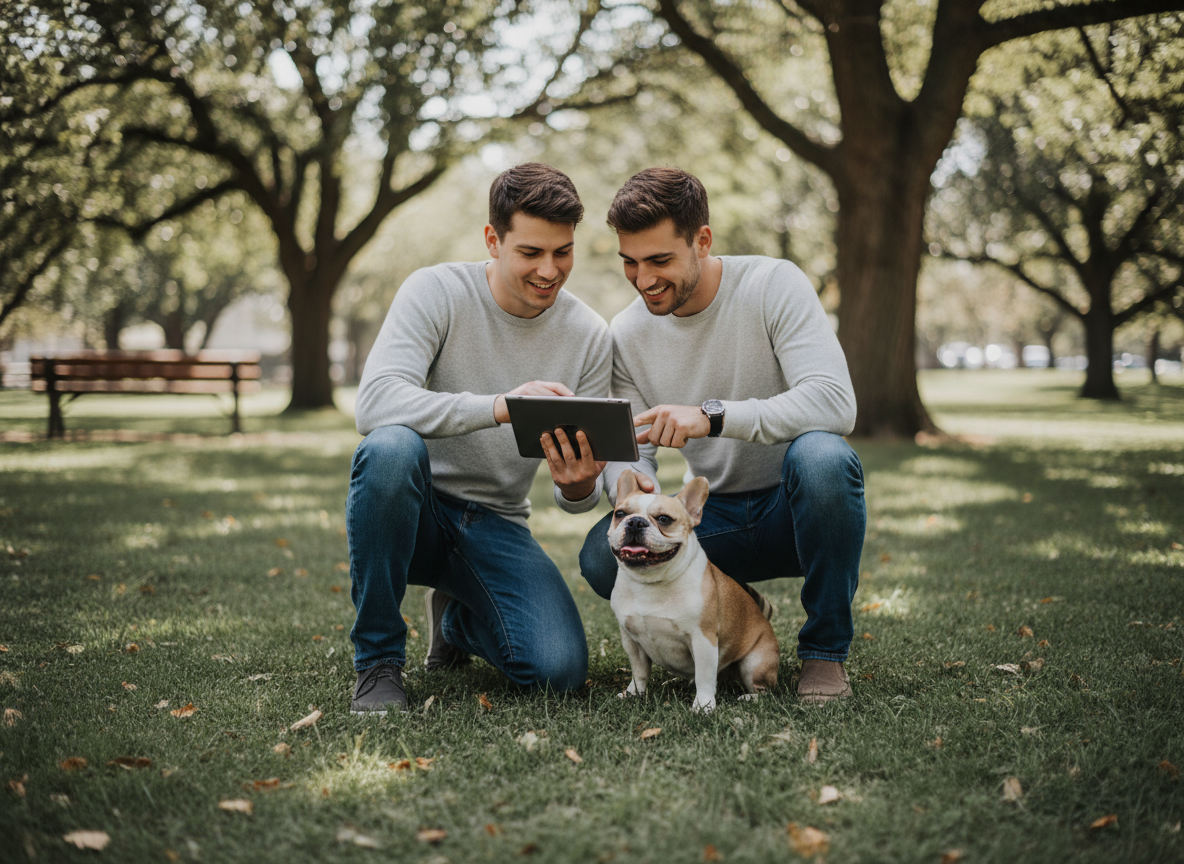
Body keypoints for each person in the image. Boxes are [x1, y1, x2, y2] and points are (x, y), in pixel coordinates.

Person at [578, 167, 867, 704]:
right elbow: (629, 455)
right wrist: (628, 487)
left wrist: (713, 416)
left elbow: (834, 401)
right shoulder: (626, 334)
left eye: (660, 260)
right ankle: (737, 604)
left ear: (702, 240)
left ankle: (825, 653)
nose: (644, 280)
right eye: (630, 263)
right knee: (601, 551)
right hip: (713, 525)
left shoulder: (772, 284)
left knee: (824, 456)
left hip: (794, 510)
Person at [346, 163, 612, 714]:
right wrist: (499, 408)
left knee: (557, 672)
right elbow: (375, 403)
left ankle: (458, 621)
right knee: (390, 449)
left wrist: (580, 486)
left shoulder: (588, 335)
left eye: (562, 252)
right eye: (530, 252)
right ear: (493, 240)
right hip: (412, 510)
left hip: (494, 520)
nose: (549, 270)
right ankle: (378, 662)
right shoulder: (436, 291)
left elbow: (573, 497)